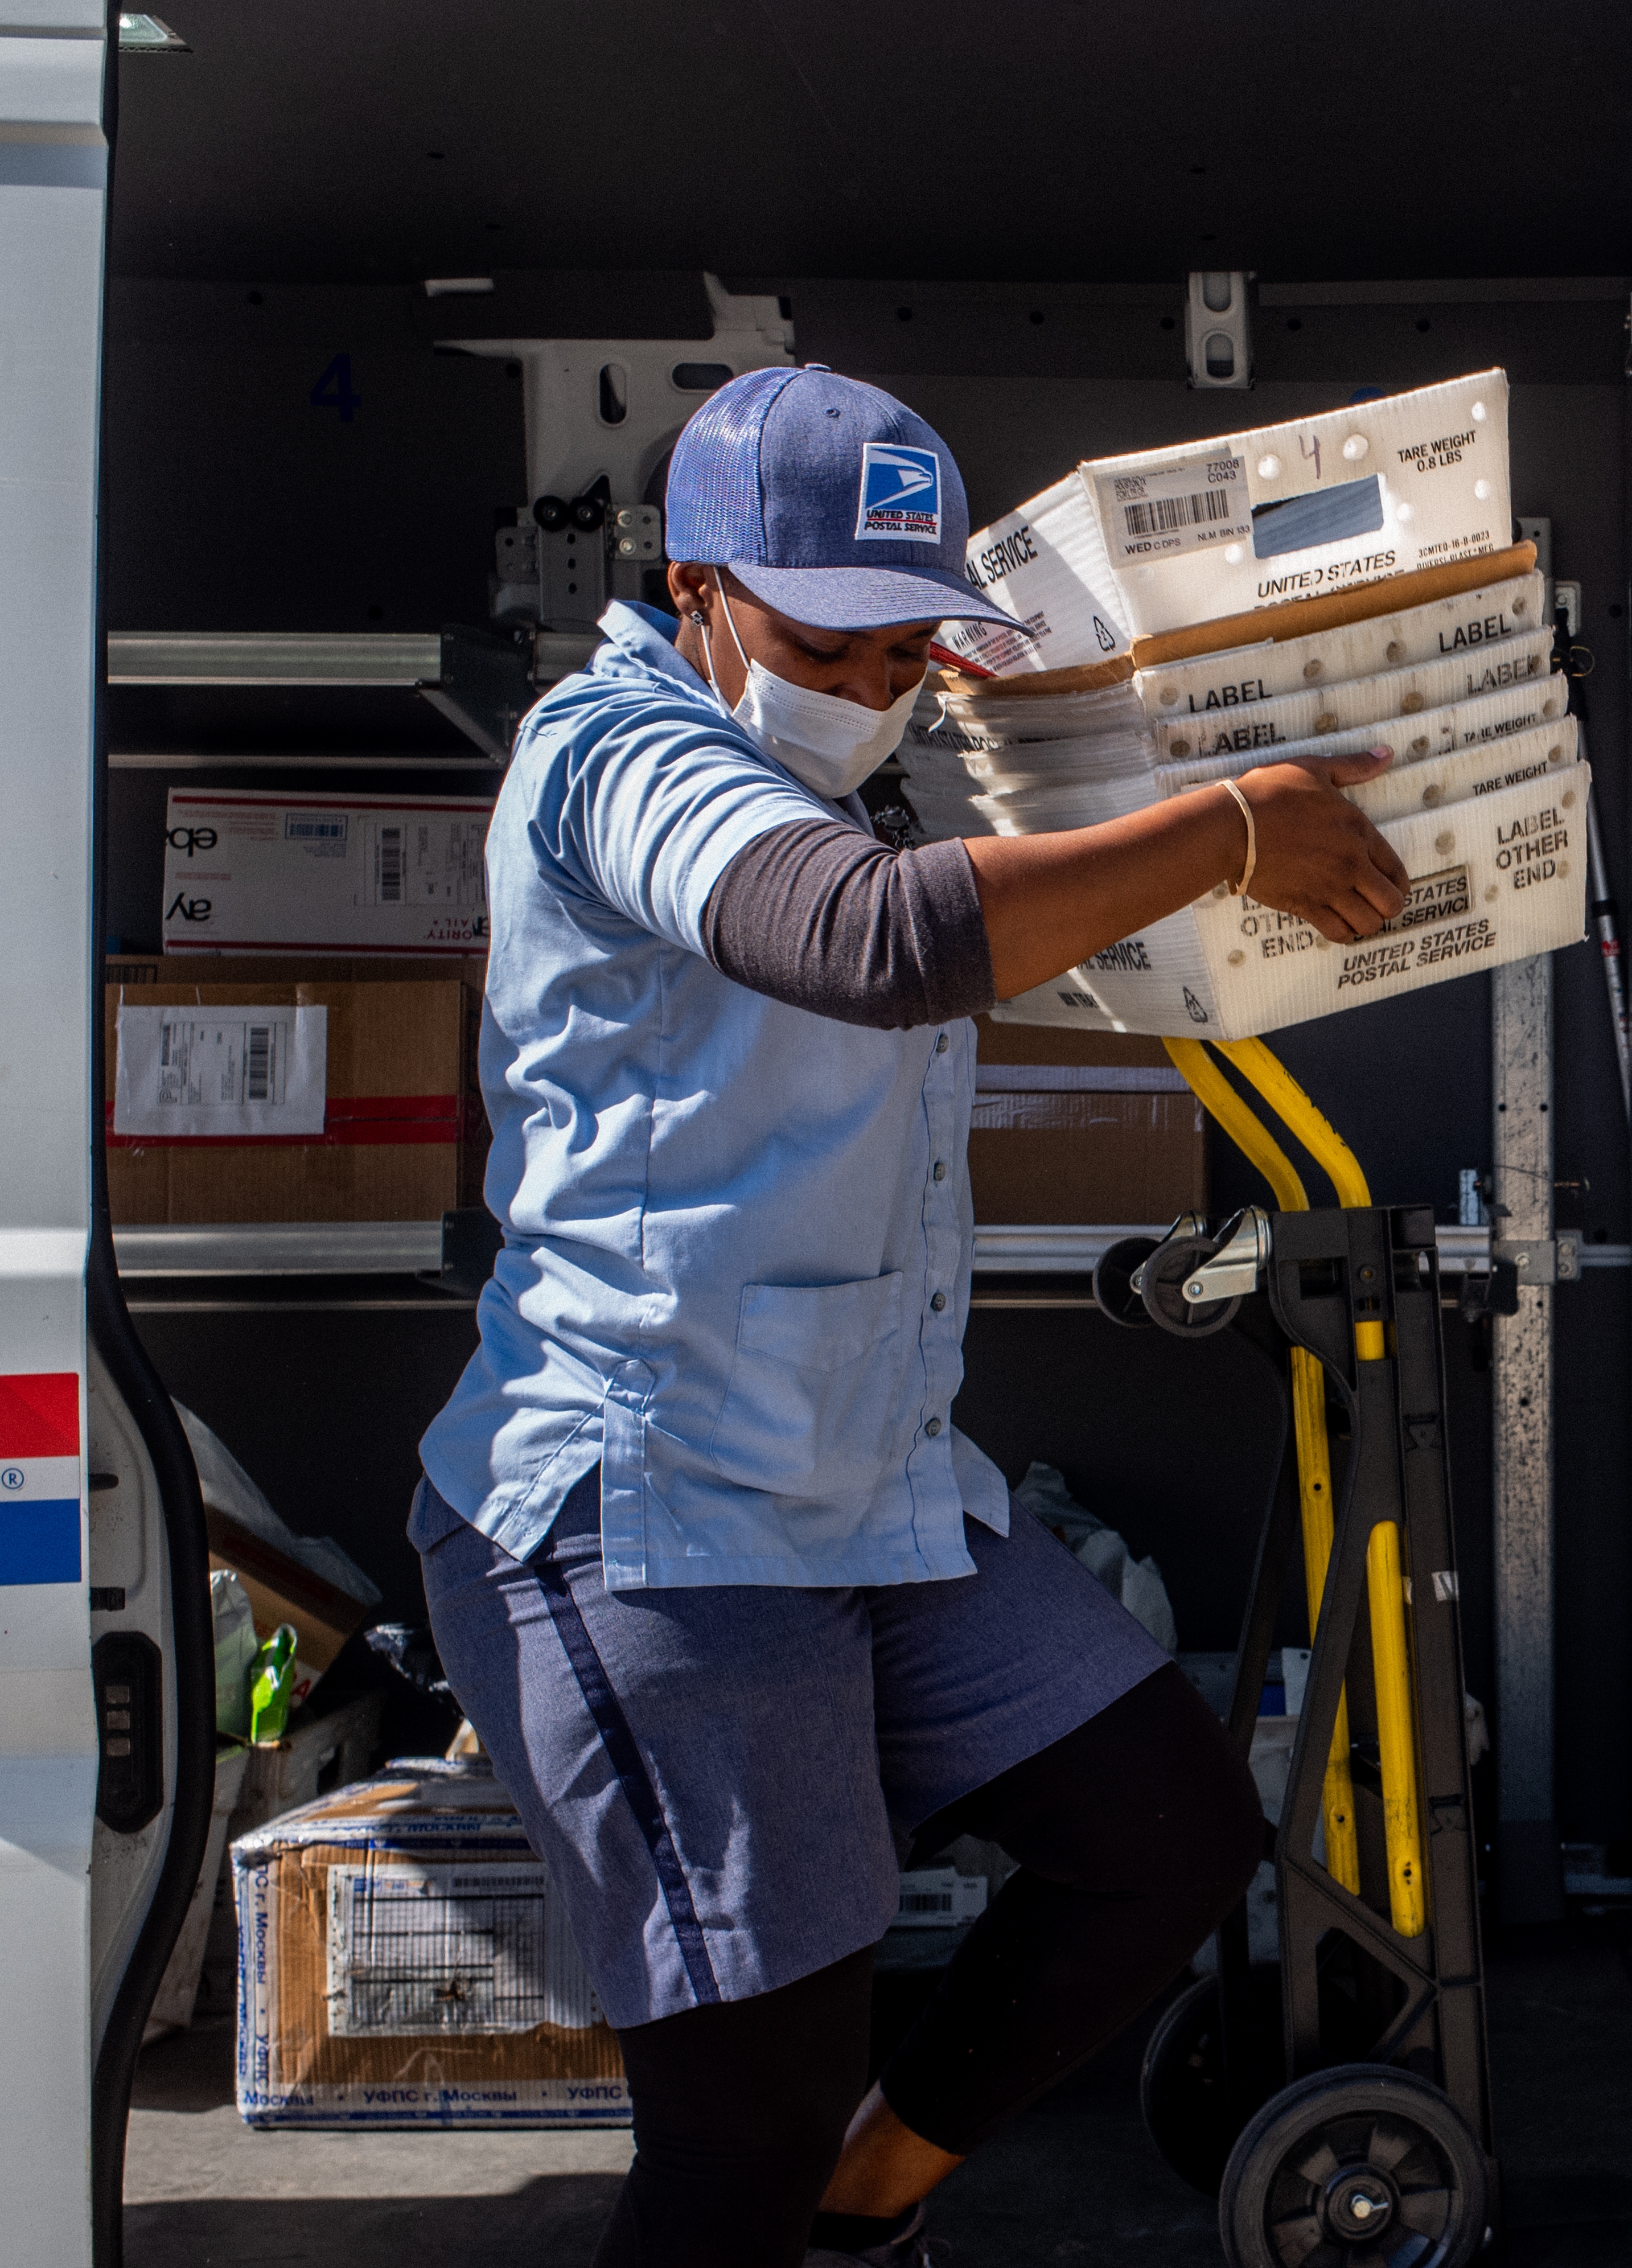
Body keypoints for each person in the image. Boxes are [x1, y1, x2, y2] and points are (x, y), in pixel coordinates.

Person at [413, 364, 1411, 2268]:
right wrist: (1223, 833)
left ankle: (866, 2210)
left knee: (1167, 1836)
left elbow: (974, 910)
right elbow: (876, 947)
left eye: (905, 656)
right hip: (654, 1502)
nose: (874, 689)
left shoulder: (859, 774)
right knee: (745, 2112)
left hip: (864, 1489)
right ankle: (805, 2191)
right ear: (698, 585)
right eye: (831, 643)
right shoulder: (616, 751)